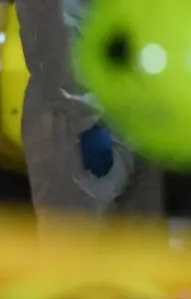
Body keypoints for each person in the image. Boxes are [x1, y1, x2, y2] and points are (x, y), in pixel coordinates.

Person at [16, 0, 162, 226]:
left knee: (141, 239)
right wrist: (87, 120)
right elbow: (58, 44)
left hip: (135, 120)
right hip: (78, 127)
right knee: (76, 236)